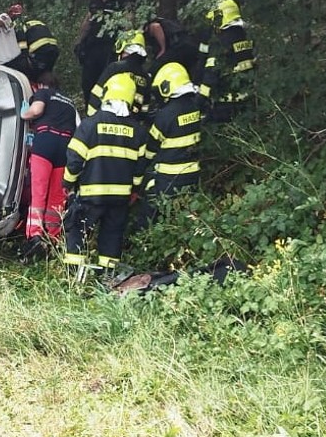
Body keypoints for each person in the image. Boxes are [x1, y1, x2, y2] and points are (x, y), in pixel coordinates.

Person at [62, 72, 145, 277]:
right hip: (120, 199)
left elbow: (74, 160)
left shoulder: (90, 125)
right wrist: (134, 191)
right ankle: (107, 280)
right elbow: (139, 168)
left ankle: (74, 278)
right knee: (112, 236)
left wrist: (67, 184)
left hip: (91, 196)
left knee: (77, 231)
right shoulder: (138, 131)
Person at [20, 74, 77, 257]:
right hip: (65, 147)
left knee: (39, 192)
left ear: (40, 85)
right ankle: (52, 238)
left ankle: (34, 236)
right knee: (56, 197)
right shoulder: (69, 102)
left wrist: (23, 114)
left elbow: (36, 110)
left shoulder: (43, 93)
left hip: (45, 143)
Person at [144, 62, 203, 200]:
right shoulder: (196, 106)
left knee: (150, 209)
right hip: (194, 173)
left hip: (168, 177)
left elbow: (151, 148)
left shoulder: (165, 114)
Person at [198, 0, 256, 122]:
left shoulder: (221, 43)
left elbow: (210, 75)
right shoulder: (247, 36)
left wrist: (199, 101)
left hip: (225, 104)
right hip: (249, 100)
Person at [73, 0, 127, 107]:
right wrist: (79, 41)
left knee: (107, 79)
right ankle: (89, 109)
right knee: (88, 82)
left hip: (111, 47)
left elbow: (128, 23)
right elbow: (88, 21)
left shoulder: (120, 1)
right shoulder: (95, 1)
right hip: (93, 46)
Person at [86, 30, 150, 116]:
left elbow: (97, 93)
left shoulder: (115, 68)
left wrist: (90, 118)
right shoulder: (145, 76)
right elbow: (145, 107)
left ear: (124, 47)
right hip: (132, 124)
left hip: (108, 118)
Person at [11, 5, 60, 77]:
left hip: (39, 50)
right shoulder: (36, 22)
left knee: (32, 73)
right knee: (47, 71)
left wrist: (24, 60)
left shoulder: (17, 25)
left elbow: (22, 45)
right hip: (53, 48)